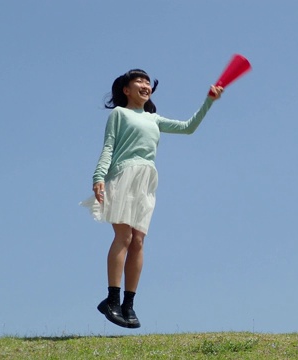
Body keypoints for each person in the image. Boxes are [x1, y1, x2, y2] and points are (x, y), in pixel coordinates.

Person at [80, 69, 223, 329]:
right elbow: (109, 147)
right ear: (126, 90)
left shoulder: (154, 119)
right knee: (123, 237)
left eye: (148, 82)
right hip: (123, 174)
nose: (146, 85)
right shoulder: (119, 114)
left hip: (147, 180)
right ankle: (112, 299)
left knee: (138, 241)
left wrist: (209, 101)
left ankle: (128, 304)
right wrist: (98, 177)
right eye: (140, 81)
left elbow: (188, 128)